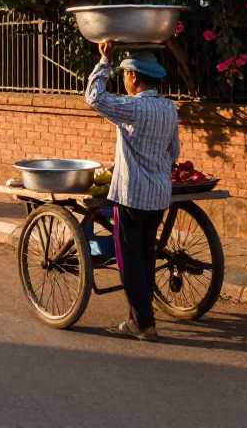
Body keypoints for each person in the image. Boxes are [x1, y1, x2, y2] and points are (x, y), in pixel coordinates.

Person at [85, 41, 179, 342]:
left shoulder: (134, 107)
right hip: (159, 194)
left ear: (134, 77)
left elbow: (93, 97)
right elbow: (173, 151)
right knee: (146, 255)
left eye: (124, 75)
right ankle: (139, 317)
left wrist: (105, 60)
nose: (124, 81)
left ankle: (143, 322)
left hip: (132, 195)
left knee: (130, 260)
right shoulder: (168, 107)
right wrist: (157, 173)